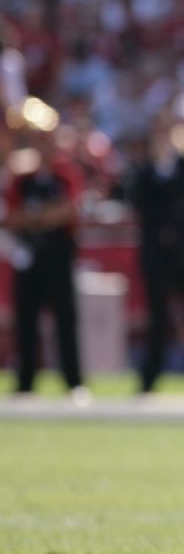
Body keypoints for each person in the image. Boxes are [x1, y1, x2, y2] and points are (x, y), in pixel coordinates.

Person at [128, 114, 184, 394]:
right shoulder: (143, 172)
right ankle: (150, 377)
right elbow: (141, 206)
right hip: (157, 255)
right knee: (157, 318)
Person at [5, 97, 85, 401]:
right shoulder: (22, 177)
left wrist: (36, 217)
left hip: (58, 253)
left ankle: (73, 381)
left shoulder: (65, 174)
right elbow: (13, 217)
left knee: (65, 317)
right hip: (30, 255)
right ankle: (26, 382)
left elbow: (67, 211)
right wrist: (41, 218)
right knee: (26, 318)